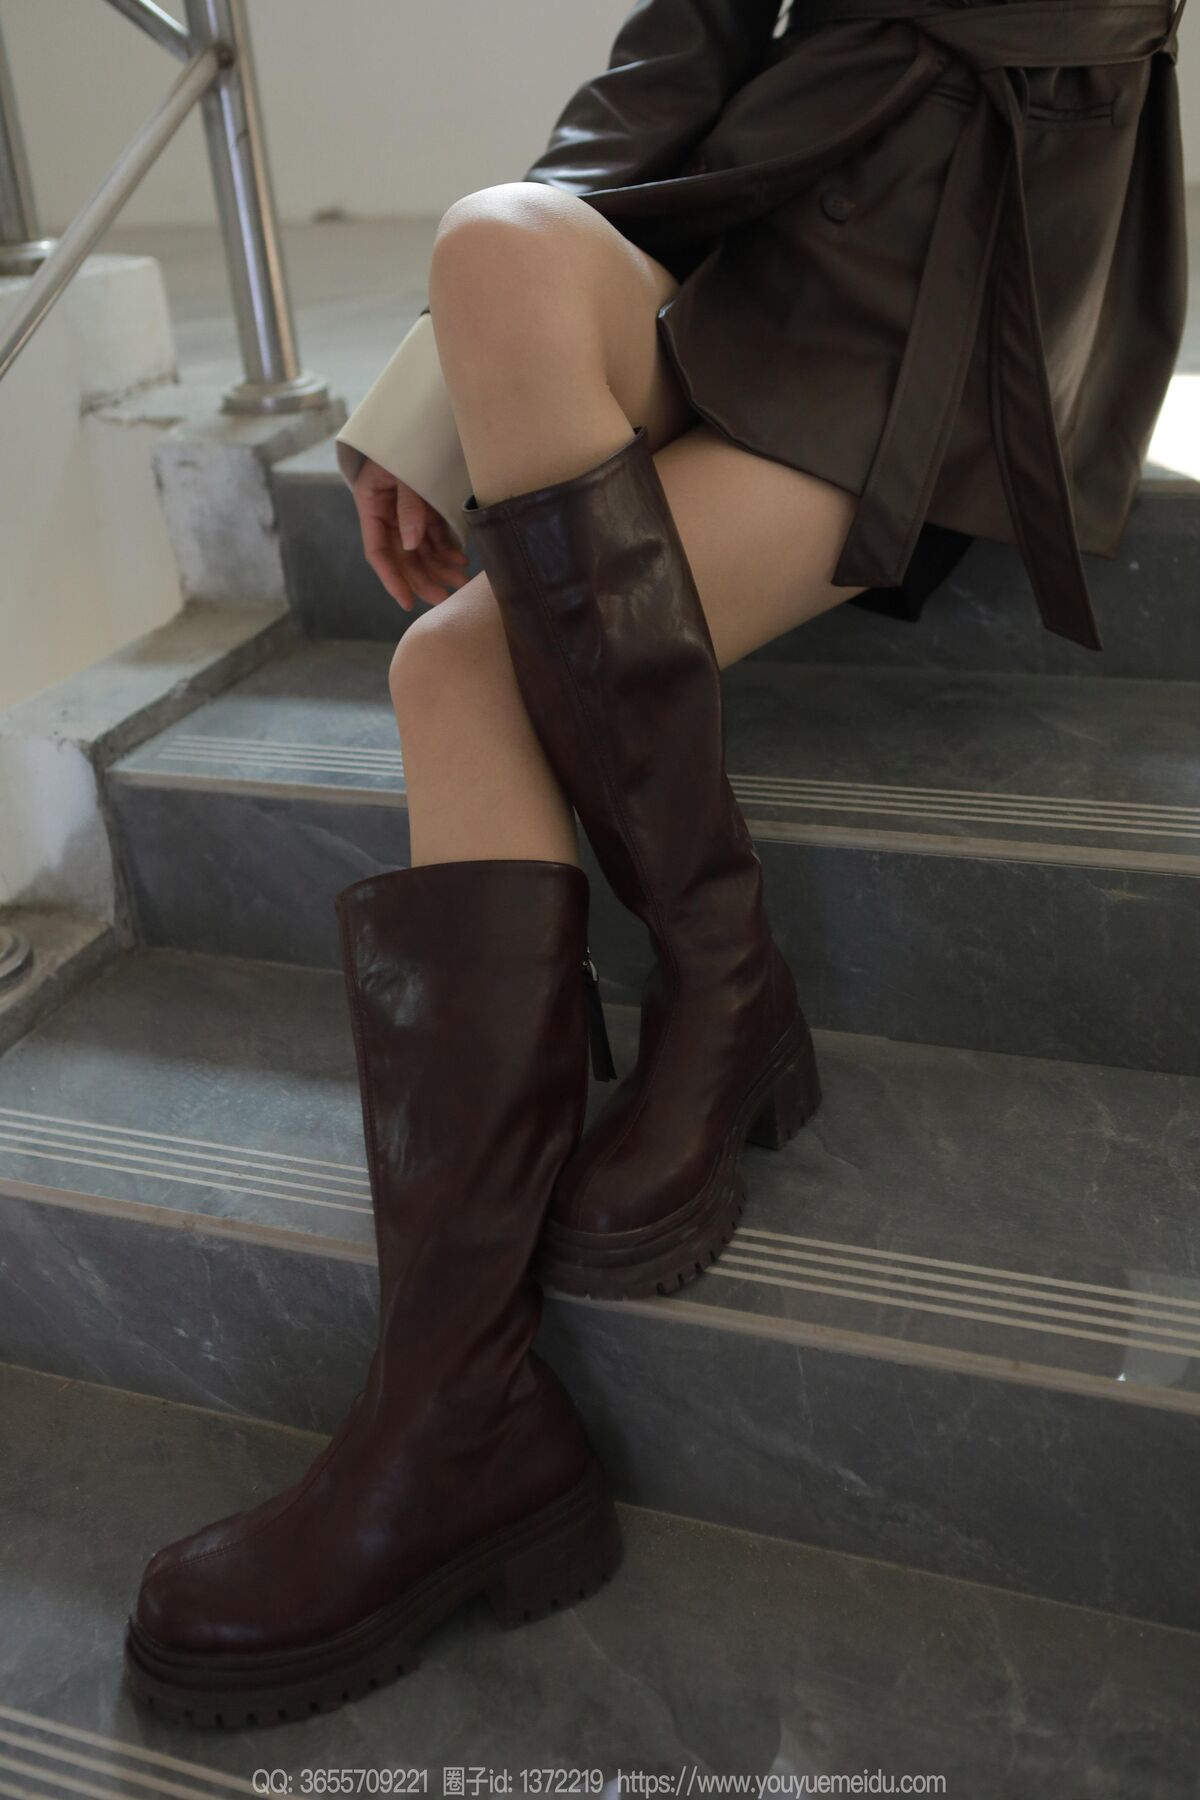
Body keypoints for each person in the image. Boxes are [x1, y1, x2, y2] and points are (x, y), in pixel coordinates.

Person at [124, 0, 1189, 1726]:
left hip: (950, 279)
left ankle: (677, 1040)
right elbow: (691, 30)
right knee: (493, 245)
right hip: (751, 228)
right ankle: (487, 1372)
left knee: (456, 670)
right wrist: (434, 391)